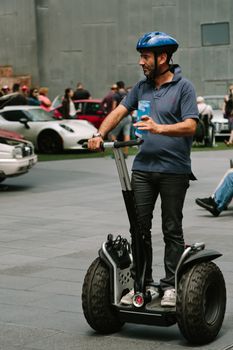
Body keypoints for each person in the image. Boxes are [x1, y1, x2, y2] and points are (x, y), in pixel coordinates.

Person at [87, 31, 198, 307]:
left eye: (146, 56)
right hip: (143, 170)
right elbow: (119, 112)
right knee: (139, 228)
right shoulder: (141, 88)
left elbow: (191, 125)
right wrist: (99, 134)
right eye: (141, 56)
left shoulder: (184, 87)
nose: (141, 62)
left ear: (163, 58)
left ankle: (171, 285)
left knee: (172, 228)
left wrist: (159, 127)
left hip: (174, 169)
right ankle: (143, 284)